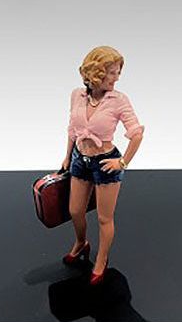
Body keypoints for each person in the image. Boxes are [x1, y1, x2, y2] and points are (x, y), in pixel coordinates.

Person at [60, 46, 145, 285]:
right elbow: (72, 129)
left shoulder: (118, 100)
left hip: (105, 163)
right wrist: (67, 156)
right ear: (96, 72)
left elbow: (136, 133)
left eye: (118, 73)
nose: (116, 78)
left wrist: (123, 162)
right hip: (80, 159)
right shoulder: (77, 95)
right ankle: (81, 242)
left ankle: (101, 258)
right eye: (112, 72)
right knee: (75, 210)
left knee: (104, 218)